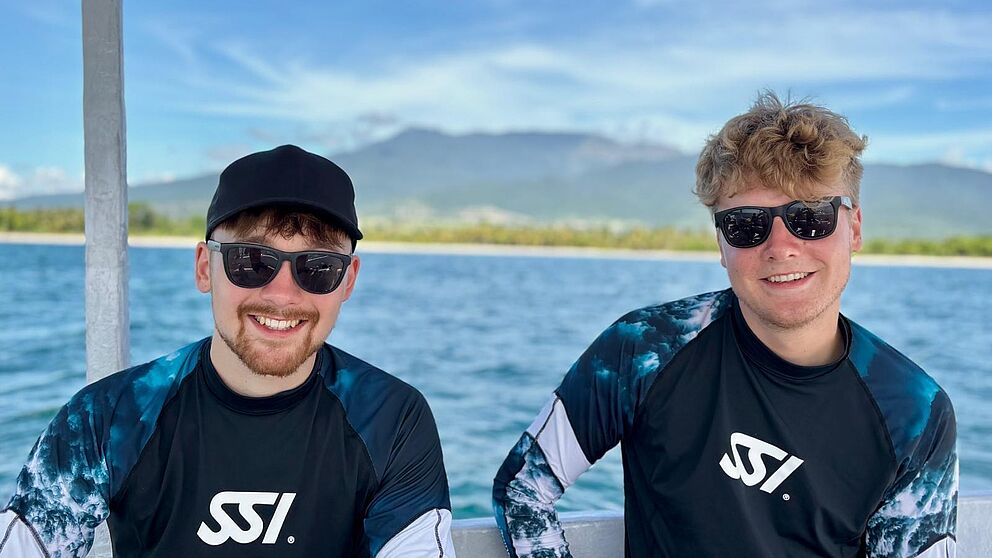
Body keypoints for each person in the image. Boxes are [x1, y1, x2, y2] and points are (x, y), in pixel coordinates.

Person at [492, 94, 957, 557]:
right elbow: (523, 490)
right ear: (721, 243)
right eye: (746, 226)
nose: (781, 247)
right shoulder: (644, 351)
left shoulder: (915, 411)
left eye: (810, 218)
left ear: (853, 228)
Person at [1, 145, 456, 557]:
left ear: (348, 281)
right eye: (251, 261)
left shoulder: (391, 419)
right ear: (205, 268)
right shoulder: (110, 417)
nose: (282, 295)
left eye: (317, 267)